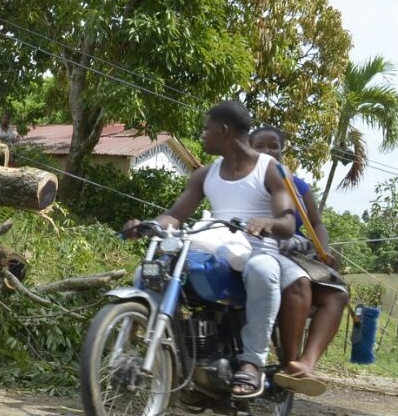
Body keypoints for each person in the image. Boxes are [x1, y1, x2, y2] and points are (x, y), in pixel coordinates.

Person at [124, 101, 305, 398]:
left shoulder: (269, 169)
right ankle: (149, 349)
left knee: (262, 270)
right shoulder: (205, 175)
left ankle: (252, 363)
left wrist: (267, 222)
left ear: (223, 131)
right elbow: (175, 217)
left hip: (258, 250)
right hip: (214, 245)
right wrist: (146, 224)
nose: (203, 135)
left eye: (206, 129)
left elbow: (287, 220)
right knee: (153, 270)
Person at [250, 125, 349, 393]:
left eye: (274, 146)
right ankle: (288, 362)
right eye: (260, 146)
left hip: (296, 252)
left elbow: (316, 223)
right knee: (299, 285)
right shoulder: (245, 179)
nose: (268, 151)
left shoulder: (299, 186)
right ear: (249, 149)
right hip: (262, 249)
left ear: (282, 151)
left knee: (336, 295)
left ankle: (304, 365)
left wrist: (323, 250)